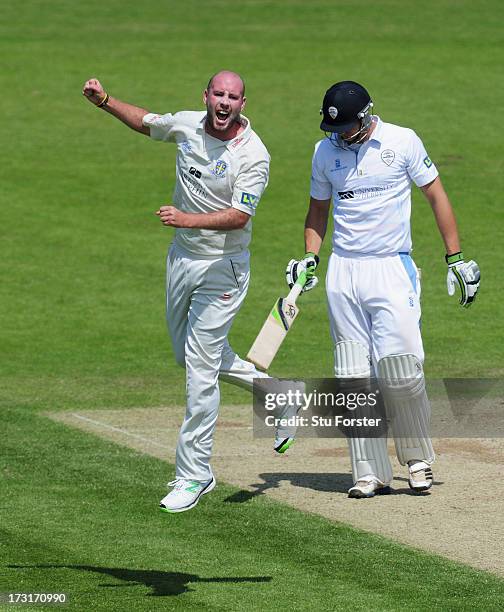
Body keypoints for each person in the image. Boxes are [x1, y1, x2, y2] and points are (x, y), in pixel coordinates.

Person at [82, 71, 292, 513]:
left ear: (242, 104)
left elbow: (239, 216)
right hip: (182, 260)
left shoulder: (253, 154)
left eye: (232, 97)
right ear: (206, 96)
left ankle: (194, 473)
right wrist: (106, 102)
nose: (224, 102)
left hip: (223, 268)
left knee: (199, 368)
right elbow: (147, 123)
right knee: (193, 356)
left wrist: (186, 219)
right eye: (218, 94)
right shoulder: (188, 125)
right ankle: (278, 394)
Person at [286, 81, 480, 498]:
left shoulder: (402, 141)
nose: (340, 135)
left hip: (392, 268)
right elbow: (318, 210)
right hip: (345, 272)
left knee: (402, 371)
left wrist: (455, 258)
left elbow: (436, 195)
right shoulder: (324, 153)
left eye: (348, 127)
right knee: (353, 375)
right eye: (334, 129)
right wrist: (310, 257)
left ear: (367, 115)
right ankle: (370, 472)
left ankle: (417, 460)